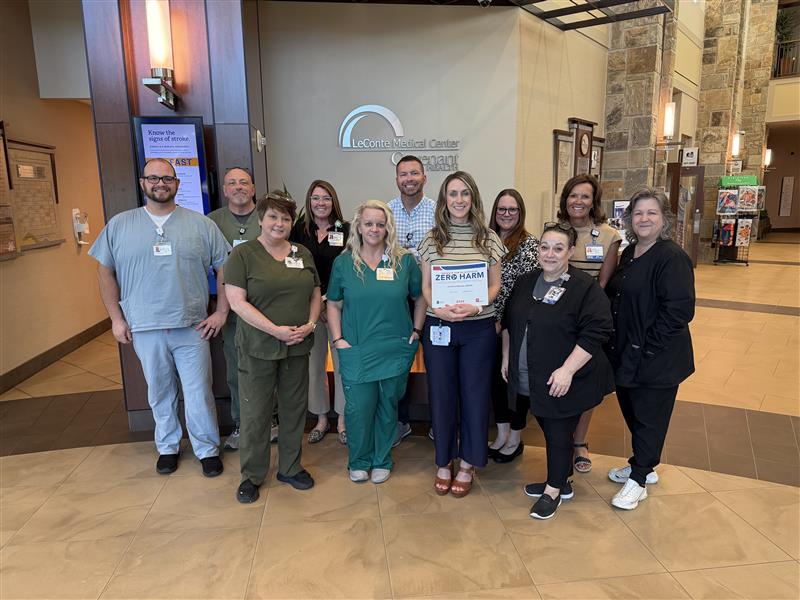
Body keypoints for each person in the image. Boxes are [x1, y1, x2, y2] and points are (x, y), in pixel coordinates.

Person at [89, 158, 229, 477]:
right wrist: (116, 318)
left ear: (177, 184)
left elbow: (224, 266)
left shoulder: (200, 225)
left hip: (192, 326)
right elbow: (104, 271)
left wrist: (221, 310)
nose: (160, 183)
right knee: (159, 390)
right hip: (144, 326)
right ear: (143, 183)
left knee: (198, 392)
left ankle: (206, 449)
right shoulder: (120, 225)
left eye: (167, 178)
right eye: (153, 178)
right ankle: (167, 447)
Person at [501, 222, 613, 519]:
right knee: (553, 429)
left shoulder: (583, 287)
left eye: (558, 248)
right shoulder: (527, 282)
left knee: (558, 431)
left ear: (570, 252)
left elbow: (597, 332)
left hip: (566, 377)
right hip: (531, 375)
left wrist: (567, 370)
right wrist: (506, 358)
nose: (549, 254)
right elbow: (510, 323)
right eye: (545, 247)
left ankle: (554, 490)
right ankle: (560, 481)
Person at [224, 191, 322, 503]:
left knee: (294, 410)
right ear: (261, 220)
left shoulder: (302, 253)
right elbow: (236, 302)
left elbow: (316, 291)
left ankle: (290, 467)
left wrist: (310, 322)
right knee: (256, 413)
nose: (279, 223)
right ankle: (252, 475)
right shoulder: (243, 255)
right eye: (273, 217)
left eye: (285, 218)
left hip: (297, 345)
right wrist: (275, 331)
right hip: (258, 347)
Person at [605, 188, 695, 510]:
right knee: (633, 412)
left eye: (651, 213)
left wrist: (648, 349)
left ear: (664, 219)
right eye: (638, 213)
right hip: (629, 351)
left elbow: (679, 312)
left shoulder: (671, 257)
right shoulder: (630, 253)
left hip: (657, 357)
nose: (644, 219)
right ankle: (642, 463)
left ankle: (639, 478)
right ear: (629, 218)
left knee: (650, 418)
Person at [327, 200, 426, 483]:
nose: (374, 229)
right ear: (358, 226)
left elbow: (420, 297)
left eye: (380, 224)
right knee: (358, 408)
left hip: (395, 347)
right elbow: (333, 304)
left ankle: (382, 459)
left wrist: (416, 331)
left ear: (388, 228)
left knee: (387, 406)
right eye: (368, 223)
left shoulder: (403, 260)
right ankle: (359, 460)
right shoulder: (344, 263)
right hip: (356, 347)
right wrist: (338, 339)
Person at [419, 171, 505, 498]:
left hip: (477, 327)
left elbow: (495, 285)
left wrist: (475, 305)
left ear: (474, 198)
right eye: (453, 194)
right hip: (439, 325)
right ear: (444, 199)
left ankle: (468, 462)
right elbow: (426, 287)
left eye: (465, 194)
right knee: (441, 395)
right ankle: (444, 462)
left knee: (475, 394)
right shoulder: (431, 239)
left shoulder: (489, 238)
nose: (459, 200)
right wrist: (438, 309)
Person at [557, 174, 622, 474]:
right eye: (573, 195)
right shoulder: (553, 230)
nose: (578, 201)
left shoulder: (609, 236)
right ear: (565, 199)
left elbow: (604, 283)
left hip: (588, 316)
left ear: (593, 201)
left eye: (584, 196)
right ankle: (560, 438)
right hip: (557, 314)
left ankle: (580, 441)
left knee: (585, 379)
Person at [290, 180, 349, 445]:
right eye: (316, 198)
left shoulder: (346, 230)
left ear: (334, 200)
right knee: (315, 367)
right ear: (309, 201)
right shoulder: (299, 231)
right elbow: (293, 269)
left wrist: (329, 300)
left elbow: (350, 267)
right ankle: (322, 418)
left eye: (326, 197)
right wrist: (317, 303)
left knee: (342, 366)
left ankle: (344, 420)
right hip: (309, 308)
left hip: (341, 307)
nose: (321, 203)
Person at [208, 167, 261, 451]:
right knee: (237, 369)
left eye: (244, 182)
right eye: (232, 183)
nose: (238, 187)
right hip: (231, 312)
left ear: (253, 188)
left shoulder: (268, 217)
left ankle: (272, 420)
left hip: (267, 308)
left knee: (270, 366)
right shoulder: (211, 222)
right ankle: (242, 424)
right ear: (225, 189)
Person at [488, 189, 539, 463]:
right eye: (502, 209)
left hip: (515, 326)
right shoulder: (484, 241)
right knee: (496, 382)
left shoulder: (530, 245)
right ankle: (502, 433)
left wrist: (503, 320)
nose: (506, 214)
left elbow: (525, 291)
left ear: (520, 214)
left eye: (512, 210)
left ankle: (516, 438)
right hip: (484, 324)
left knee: (516, 381)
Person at [388, 155, 436, 446]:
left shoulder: (437, 210)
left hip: (431, 298)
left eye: (414, 173)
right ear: (397, 180)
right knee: (398, 362)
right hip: (396, 299)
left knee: (436, 361)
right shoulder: (386, 211)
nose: (409, 179)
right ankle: (400, 422)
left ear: (424, 178)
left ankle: (438, 422)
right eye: (403, 174)